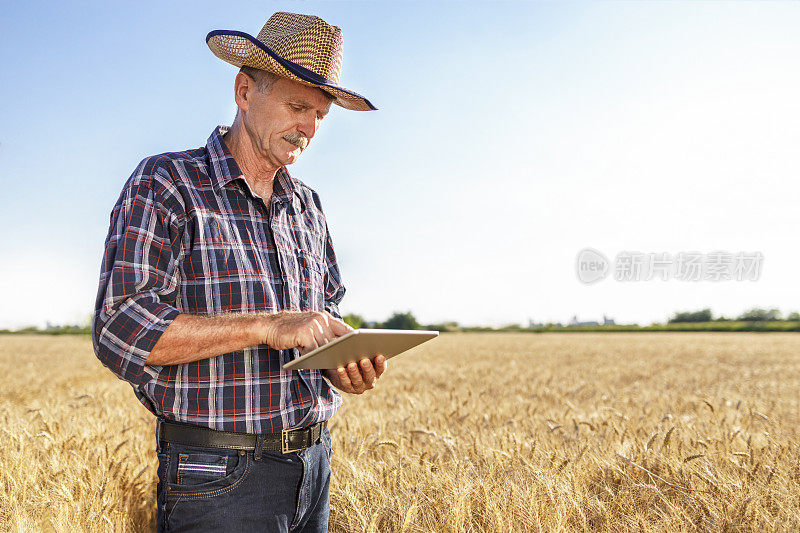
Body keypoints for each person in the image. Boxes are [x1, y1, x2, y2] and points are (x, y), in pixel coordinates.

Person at [92, 12, 385, 532]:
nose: (310, 128)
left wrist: (342, 362)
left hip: (314, 467)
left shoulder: (307, 206)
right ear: (244, 90)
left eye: (321, 114)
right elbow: (121, 328)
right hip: (217, 478)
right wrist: (268, 326)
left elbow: (322, 314)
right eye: (297, 106)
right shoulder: (167, 183)